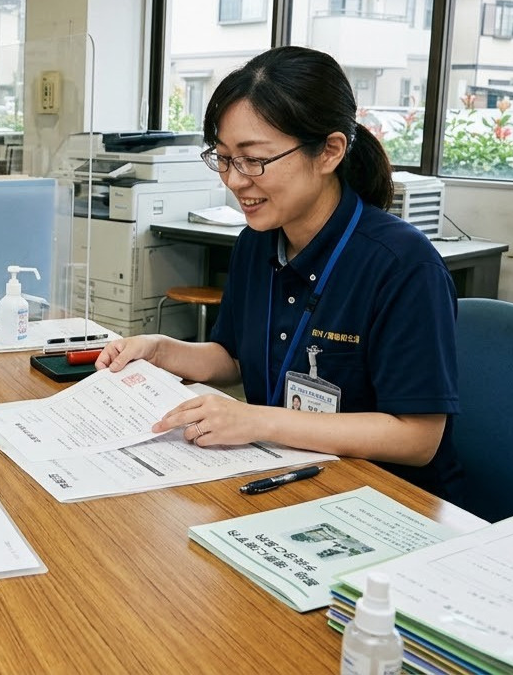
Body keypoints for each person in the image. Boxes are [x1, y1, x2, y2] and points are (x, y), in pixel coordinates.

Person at [96, 46, 462, 502]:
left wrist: (260, 420)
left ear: (329, 152)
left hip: (381, 498)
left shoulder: (401, 265)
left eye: (254, 160)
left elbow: (417, 438)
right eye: (224, 158)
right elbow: (231, 357)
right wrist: (160, 350)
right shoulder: (259, 240)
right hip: (285, 472)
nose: (234, 180)